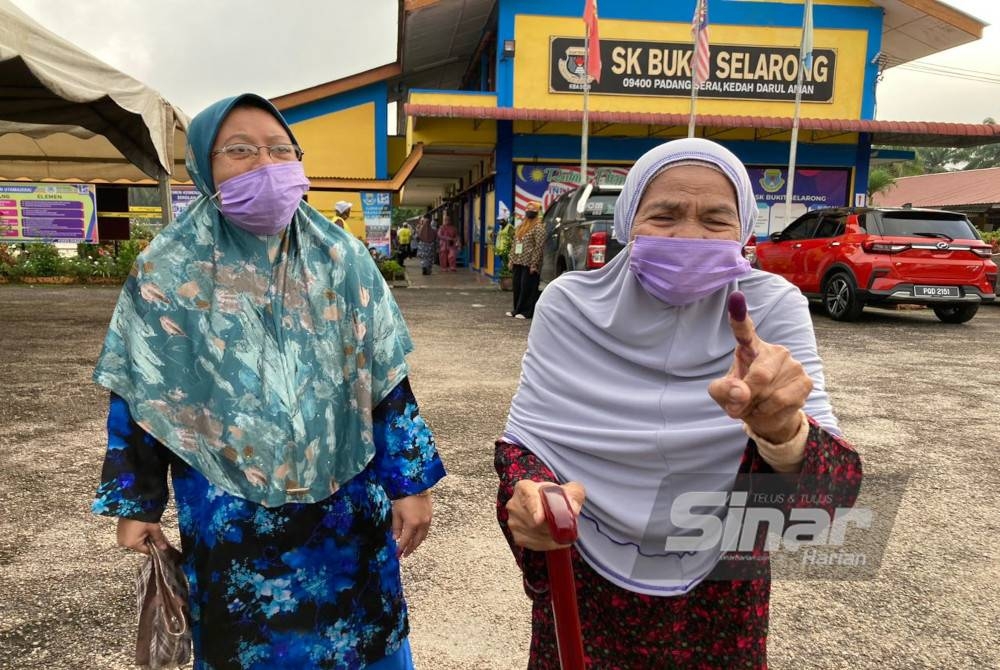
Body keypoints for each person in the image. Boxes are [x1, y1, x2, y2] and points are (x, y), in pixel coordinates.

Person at [91, 93, 445, 670]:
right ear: (205, 169)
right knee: (246, 648)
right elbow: (141, 391)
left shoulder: (342, 258)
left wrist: (411, 483)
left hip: (345, 511)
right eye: (240, 151)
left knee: (362, 640)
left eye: (281, 151)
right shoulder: (167, 270)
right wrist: (139, 502)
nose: (266, 165)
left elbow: (385, 384)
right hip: (230, 515)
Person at [495, 138, 862, 668]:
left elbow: (831, 496)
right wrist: (531, 497)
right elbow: (524, 445)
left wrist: (783, 433)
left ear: (744, 233)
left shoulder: (771, 308)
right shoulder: (568, 305)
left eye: (716, 220)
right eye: (664, 215)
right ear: (627, 222)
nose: (689, 235)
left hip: (722, 590)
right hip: (584, 582)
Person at [505, 201, 545, 319]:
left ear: (537, 212)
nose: (529, 211)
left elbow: (539, 247)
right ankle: (517, 309)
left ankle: (527, 312)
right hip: (518, 261)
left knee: (527, 287)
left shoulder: (539, 227)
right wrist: (511, 260)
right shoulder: (522, 226)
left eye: (533, 209)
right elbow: (514, 243)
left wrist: (534, 264)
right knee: (517, 286)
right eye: (528, 209)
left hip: (529, 263)